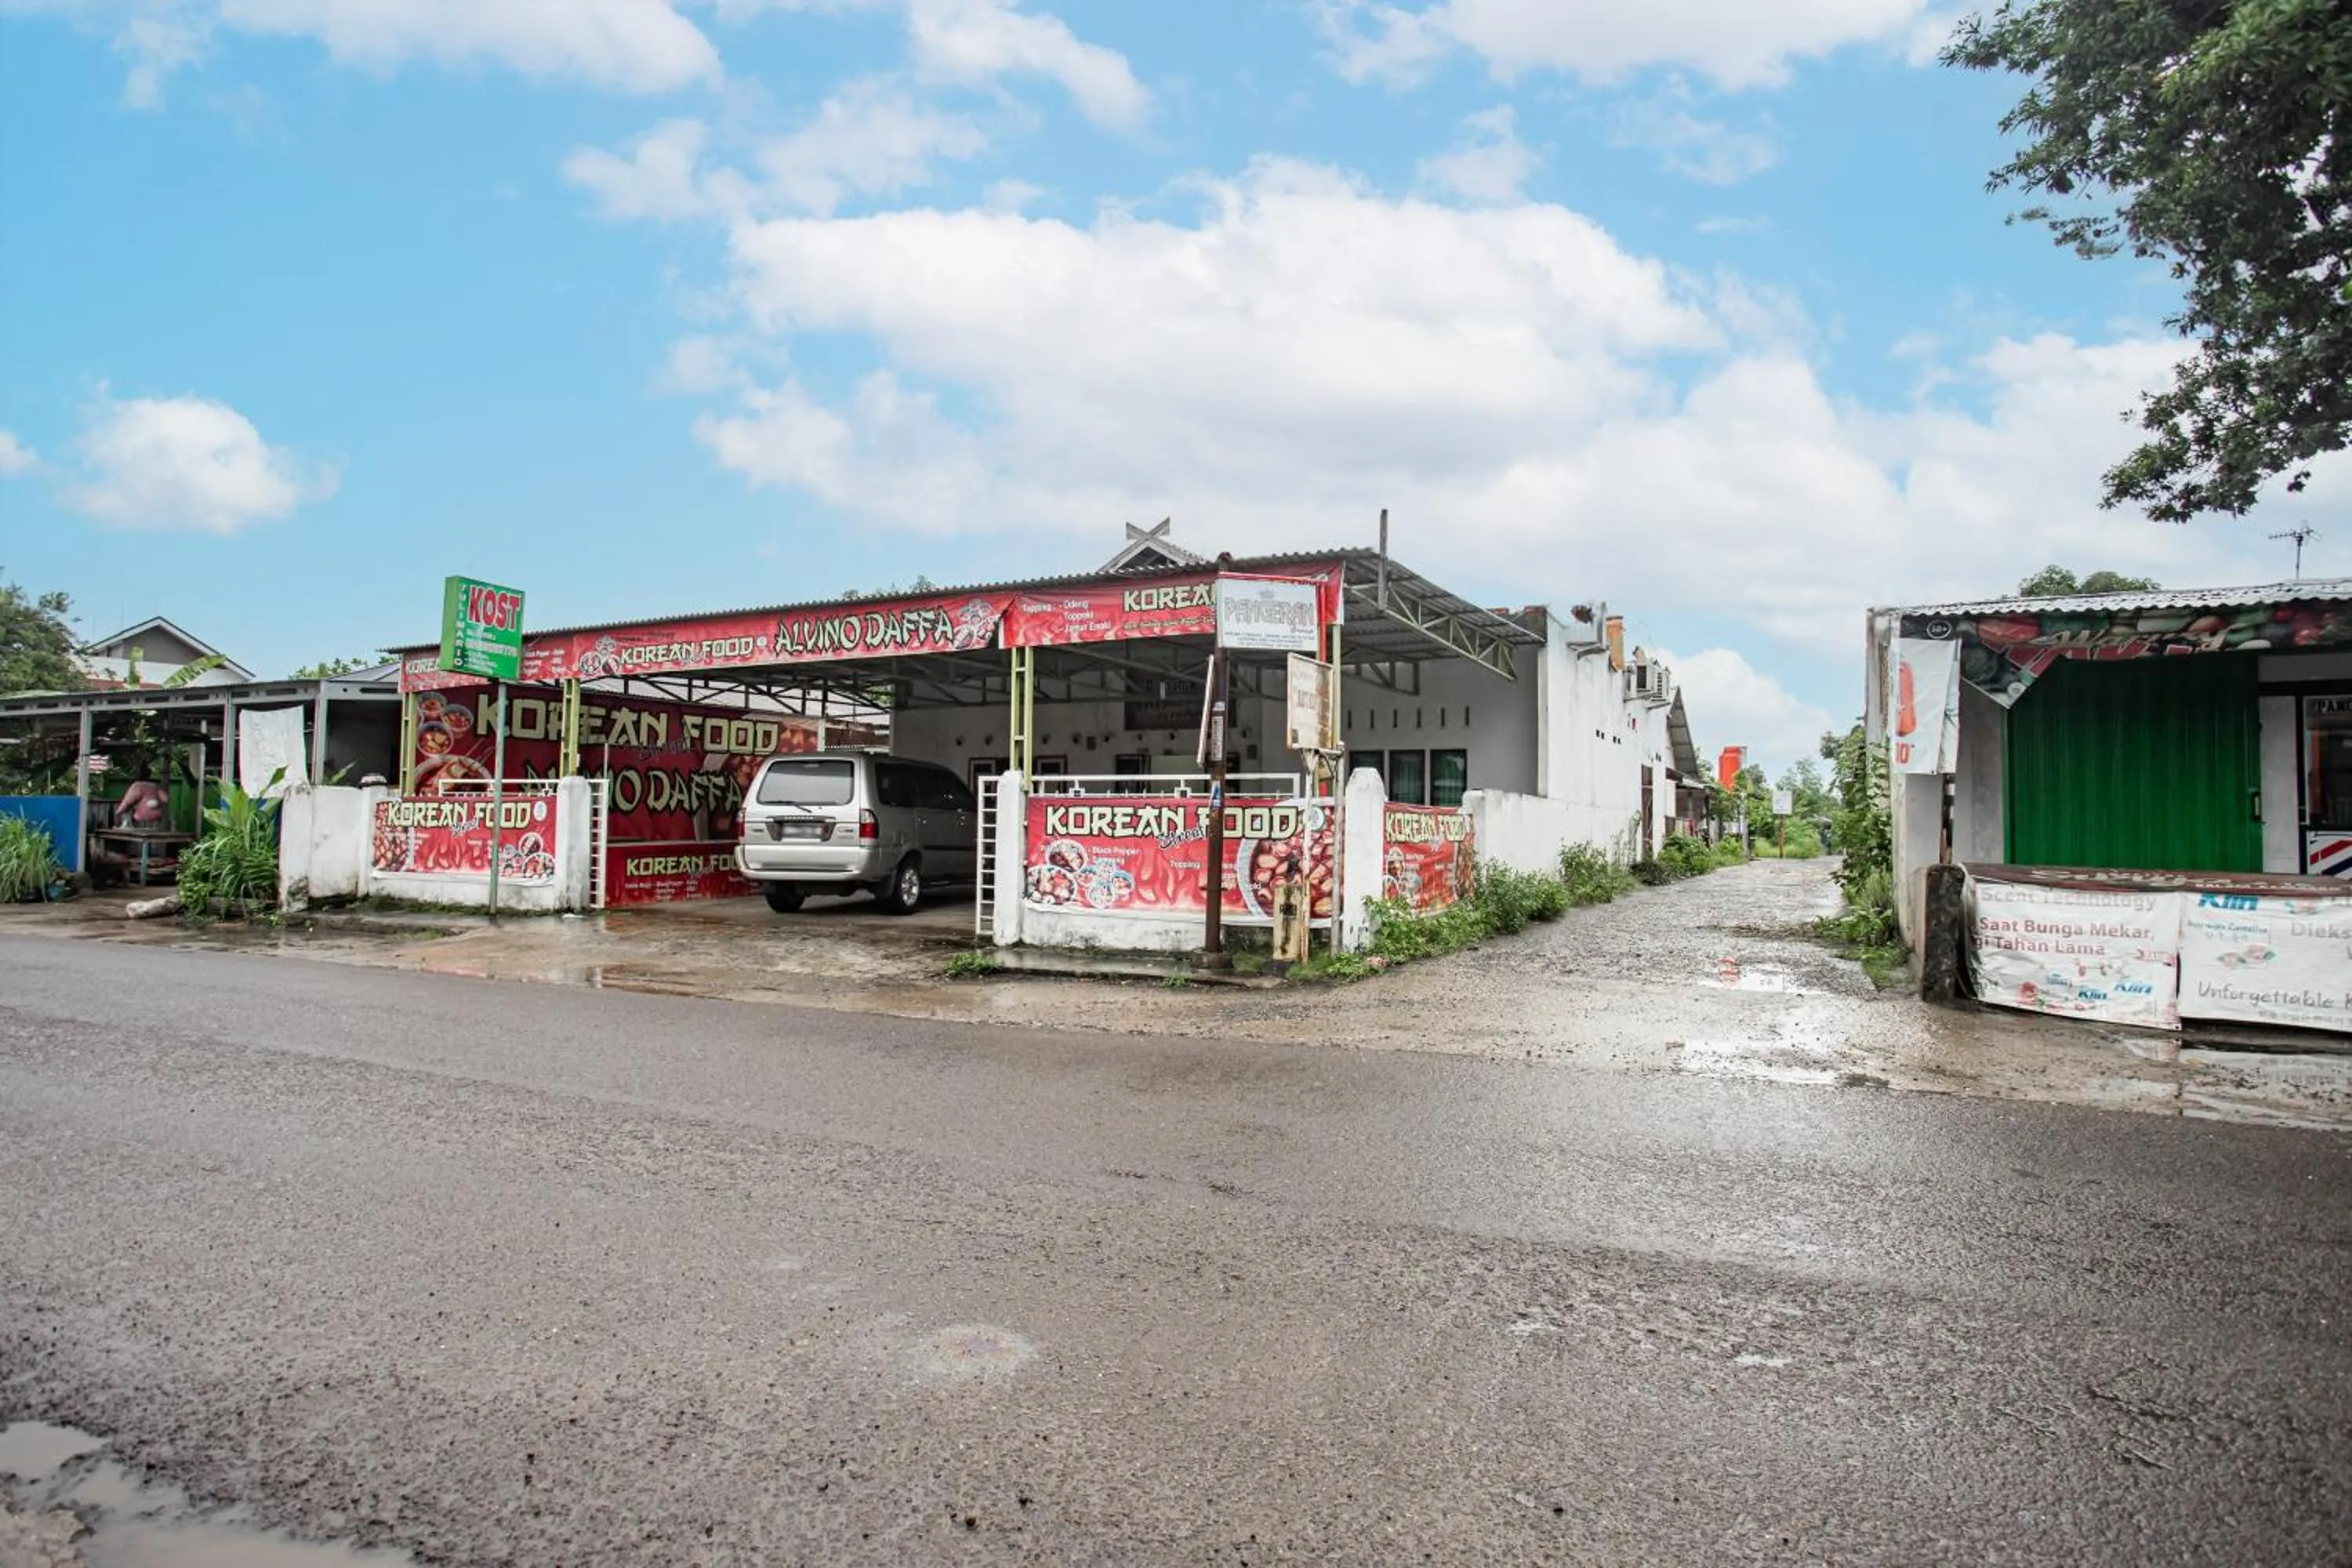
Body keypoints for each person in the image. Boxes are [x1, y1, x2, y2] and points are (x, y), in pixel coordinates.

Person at [116, 763, 169, 829]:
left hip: (141, 818)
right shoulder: (154, 786)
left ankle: (127, 825)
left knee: (130, 810)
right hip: (156, 818)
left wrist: (118, 811)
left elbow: (126, 802)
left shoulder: (137, 786)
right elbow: (165, 799)